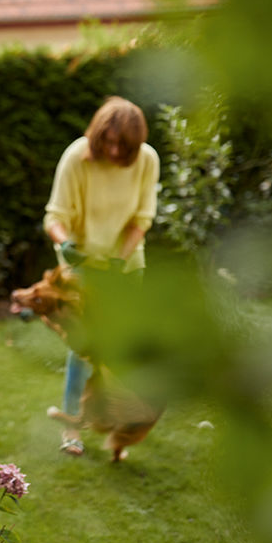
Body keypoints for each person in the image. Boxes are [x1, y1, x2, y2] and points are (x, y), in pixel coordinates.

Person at [41, 96, 159, 456]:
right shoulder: (77, 157)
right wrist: (69, 245)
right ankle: (71, 428)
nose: (112, 149)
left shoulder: (146, 160)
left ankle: (121, 422)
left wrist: (120, 262)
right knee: (84, 349)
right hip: (82, 269)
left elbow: (142, 219)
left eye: (121, 145)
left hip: (125, 266)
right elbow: (54, 218)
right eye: (106, 141)